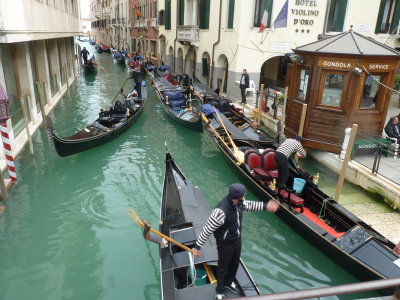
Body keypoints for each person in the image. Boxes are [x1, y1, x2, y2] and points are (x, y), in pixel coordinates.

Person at [192, 183, 279, 300]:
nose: (245, 194)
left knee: (235, 262)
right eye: (244, 193)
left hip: (236, 239)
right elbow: (207, 229)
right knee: (223, 266)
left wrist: (266, 206)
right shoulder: (220, 212)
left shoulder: (239, 203)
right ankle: (220, 290)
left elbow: (250, 205)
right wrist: (197, 247)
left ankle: (229, 282)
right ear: (238, 196)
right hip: (225, 243)